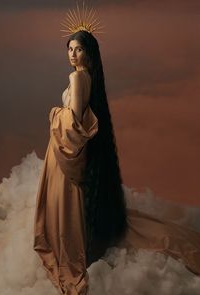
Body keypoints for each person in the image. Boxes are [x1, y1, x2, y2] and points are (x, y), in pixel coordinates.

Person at [33, 3, 200, 295]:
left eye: (79, 49)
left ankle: (75, 245)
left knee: (64, 214)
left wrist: (53, 114)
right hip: (65, 152)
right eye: (70, 49)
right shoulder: (89, 79)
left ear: (90, 53)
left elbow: (73, 122)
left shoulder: (78, 77)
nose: (73, 54)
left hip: (65, 153)